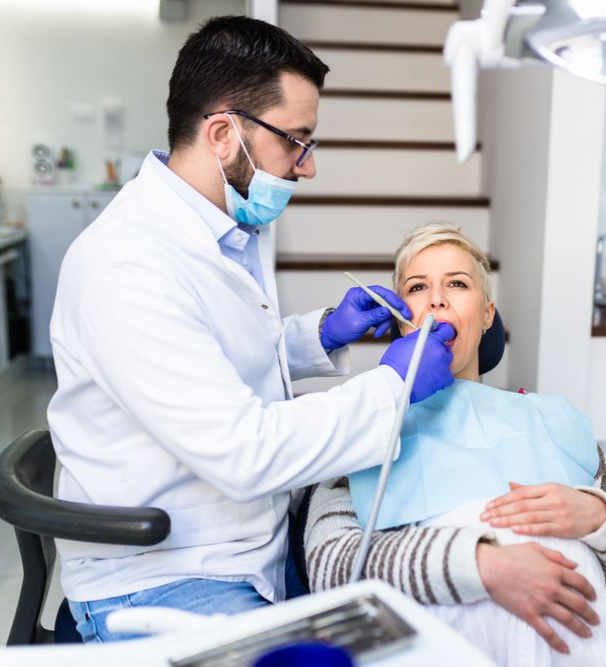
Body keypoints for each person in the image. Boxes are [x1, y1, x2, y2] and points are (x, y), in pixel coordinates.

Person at [47, 17, 458, 643]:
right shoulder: (125, 264)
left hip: (243, 541)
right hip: (167, 574)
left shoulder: (215, 231)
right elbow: (244, 452)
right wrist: (390, 387)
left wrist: (322, 333)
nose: (308, 167)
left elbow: (212, 354)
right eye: (297, 141)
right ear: (222, 133)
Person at [304, 222, 606, 667]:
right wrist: (482, 566)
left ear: (488, 314)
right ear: (397, 317)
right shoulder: (363, 426)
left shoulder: (557, 423)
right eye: (417, 286)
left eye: (457, 283)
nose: (436, 299)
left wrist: (598, 518)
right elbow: (331, 572)